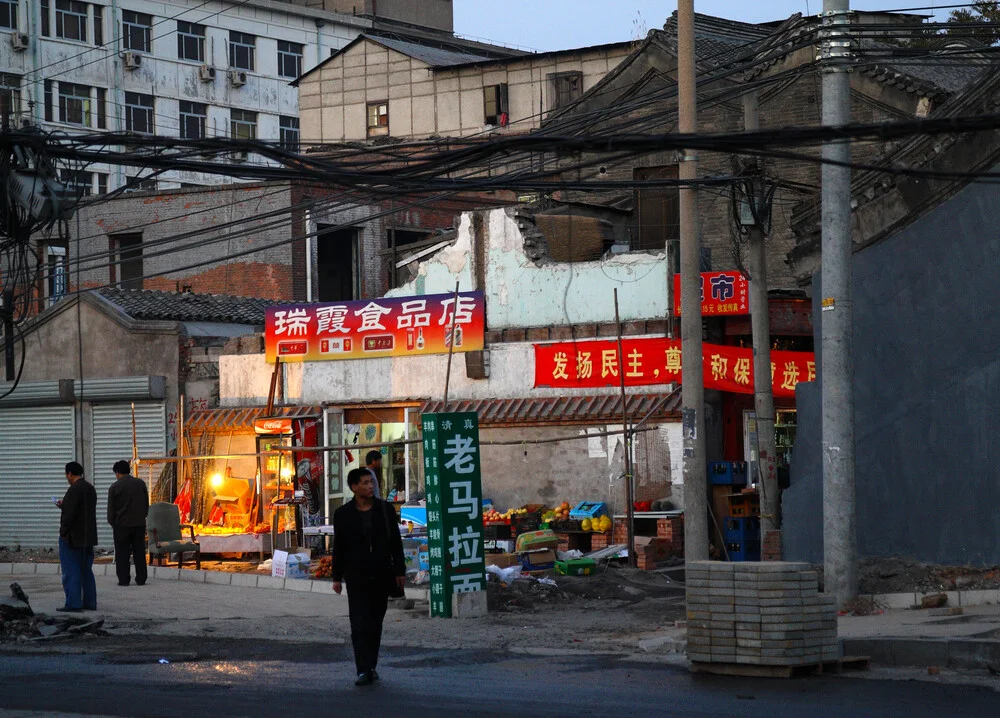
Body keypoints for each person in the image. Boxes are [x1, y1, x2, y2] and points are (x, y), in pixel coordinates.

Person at [332, 468, 405, 687]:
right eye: (365, 483)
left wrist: (400, 571)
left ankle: (371, 665)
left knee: (375, 623)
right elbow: (339, 548)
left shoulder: (385, 510)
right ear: (354, 487)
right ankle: (362, 669)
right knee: (359, 623)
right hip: (356, 577)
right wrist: (336, 577)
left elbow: (396, 543)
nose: (370, 486)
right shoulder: (343, 514)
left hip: (382, 574)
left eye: (371, 483)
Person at [57, 461, 97, 612]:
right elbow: (83, 510)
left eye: (66, 474)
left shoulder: (74, 490)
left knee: (71, 571)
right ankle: (90, 602)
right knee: (86, 570)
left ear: (70, 474)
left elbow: (70, 515)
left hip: (73, 538)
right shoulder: (90, 488)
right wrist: (65, 505)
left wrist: (63, 532)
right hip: (88, 537)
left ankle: (73, 603)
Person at [107, 459, 149, 587]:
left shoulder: (114, 487)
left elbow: (111, 510)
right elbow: (146, 505)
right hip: (139, 525)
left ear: (118, 473)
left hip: (121, 526)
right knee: (139, 552)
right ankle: (141, 578)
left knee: (122, 554)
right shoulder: (140, 484)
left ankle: (124, 580)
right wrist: (142, 517)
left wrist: (113, 523)